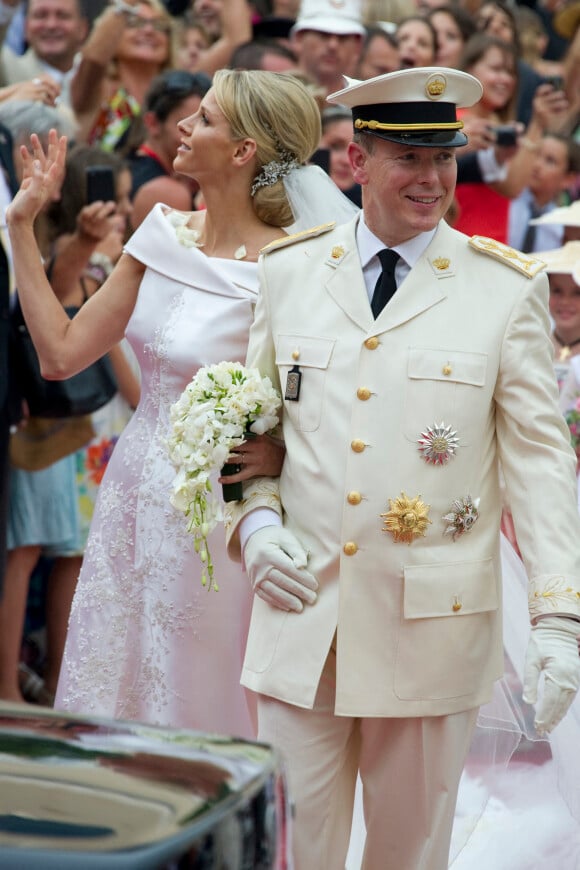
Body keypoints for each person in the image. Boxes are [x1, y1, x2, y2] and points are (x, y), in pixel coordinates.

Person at [225, 66, 580, 869]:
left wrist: (559, 617)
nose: (431, 181)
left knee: (407, 855)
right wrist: (254, 523)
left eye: (444, 160)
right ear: (357, 161)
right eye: (407, 160)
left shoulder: (503, 290)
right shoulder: (287, 271)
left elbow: (540, 464)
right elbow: (244, 427)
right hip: (300, 614)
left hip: (431, 629)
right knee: (288, 850)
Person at [6, 69, 334, 737]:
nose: (183, 127)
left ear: (243, 152)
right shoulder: (160, 234)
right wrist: (20, 228)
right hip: (133, 490)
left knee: (201, 685)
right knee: (119, 671)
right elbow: (60, 354)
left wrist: (281, 449)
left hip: (229, 511)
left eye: (205, 119)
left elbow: (331, 399)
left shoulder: (299, 265)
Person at [126, 69, 212, 229]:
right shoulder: (168, 193)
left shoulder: (133, 164)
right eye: (183, 123)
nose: (195, 134)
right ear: (152, 123)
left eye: (204, 123)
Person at [0, 0, 89, 114]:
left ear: (83, 28)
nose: (51, 25)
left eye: (62, 16)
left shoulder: (99, 75)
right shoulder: (8, 67)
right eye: (41, 16)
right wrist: (7, 6)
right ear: (25, 27)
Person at [290, 0, 365, 97]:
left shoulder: (365, 103)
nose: (333, 45)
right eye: (323, 35)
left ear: (357, 47)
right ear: (298, 39)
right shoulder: (275, 97)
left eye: (343, 37)